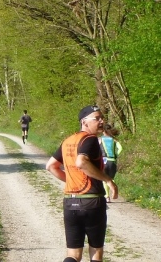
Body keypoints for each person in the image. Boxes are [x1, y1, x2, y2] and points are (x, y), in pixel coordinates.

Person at [46, 105, 118, 262]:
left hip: (70, 203)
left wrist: (72, 179)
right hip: (92, 202)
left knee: (73, 255)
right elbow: (81, 162)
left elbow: (51, 166)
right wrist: (108, 180)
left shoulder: (68, 141)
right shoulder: (90, 139)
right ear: (84, 122)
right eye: (97, 118)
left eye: (102, 118)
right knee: (96, 253)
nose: (102, 121)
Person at [99, 124, 122, 202]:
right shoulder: (114, 140)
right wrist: (116, 155)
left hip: (104, 161)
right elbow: (120, 148)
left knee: (104, 179)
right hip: (112, 161)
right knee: (111, 178)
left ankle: (107, 196)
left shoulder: (100, 139)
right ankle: (114, 189)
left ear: (103, 131)